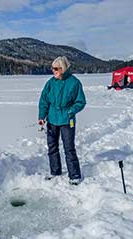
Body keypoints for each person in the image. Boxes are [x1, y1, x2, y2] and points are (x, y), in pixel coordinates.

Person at [38, 56, 86, 185]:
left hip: (67, 120)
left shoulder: (74, 83)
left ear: (63, 69)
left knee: (69, 148)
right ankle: (55, 171)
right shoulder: (50, 83)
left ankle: (74, 175)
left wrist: (71, 111)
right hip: (52, 119)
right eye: (52, 68)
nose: (53, 71)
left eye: (56, 69)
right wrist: (42, 116)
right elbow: (44, 101)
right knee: (52, 147)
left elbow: (81, 102)